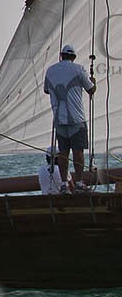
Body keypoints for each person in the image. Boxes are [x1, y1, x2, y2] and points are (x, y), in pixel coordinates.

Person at [45, 44, 95, 190]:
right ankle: (79, 183)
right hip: (76, 118)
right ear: (73, 57)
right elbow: (91, 89)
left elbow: (46, 90)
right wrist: (93, 81)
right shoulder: (78, 69)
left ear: (61, 56)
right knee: (78, 152)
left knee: (63, 153)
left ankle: (64, 184)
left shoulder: (50, 70)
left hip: (59, 119)